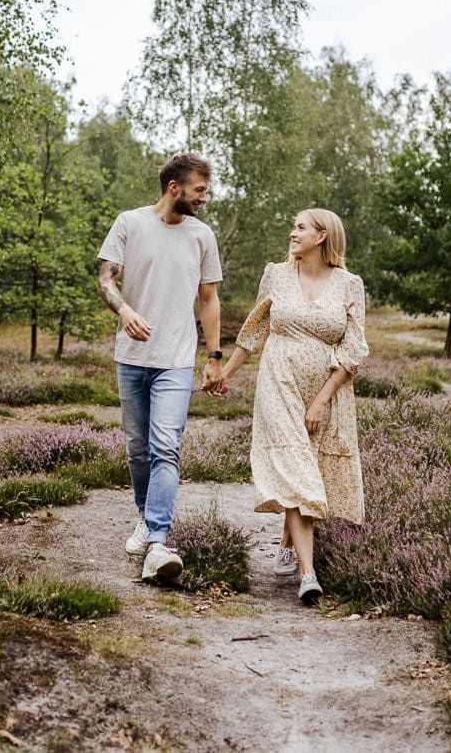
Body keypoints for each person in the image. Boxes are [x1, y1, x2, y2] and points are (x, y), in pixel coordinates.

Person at [216, 208, 367, 604]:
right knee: (298, 466)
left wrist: (321, 400)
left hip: (326, 390)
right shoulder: (276, 275)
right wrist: (226, 373)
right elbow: (256, 330)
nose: (292, 232)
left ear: (322, 236)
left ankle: (288, 539)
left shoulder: (350, 284)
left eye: (300, 227)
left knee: (312, 467)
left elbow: (353, 349)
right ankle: (308, 575)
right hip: (277, 381)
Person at [96, 153, 224, 583]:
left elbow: (208, 299)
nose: (204, 198)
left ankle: (158, 542)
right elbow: (105, 280)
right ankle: (144, 515)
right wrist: (124, 309)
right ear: (175, 188)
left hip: (176, 360)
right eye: (200, 190)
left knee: (165, 446)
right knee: (137, 449)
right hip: (131, 359)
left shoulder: (202, 236)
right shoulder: (129, 223)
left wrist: (214, 356)